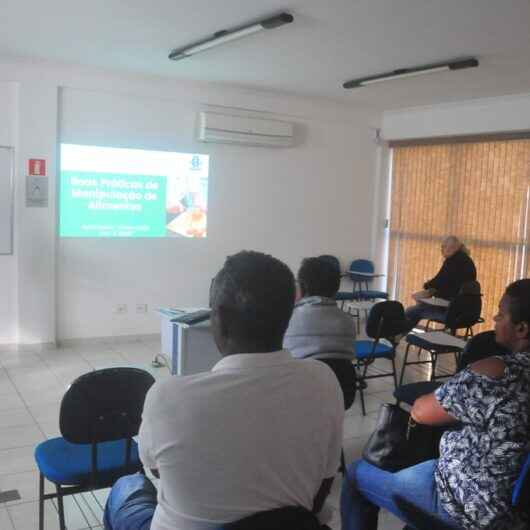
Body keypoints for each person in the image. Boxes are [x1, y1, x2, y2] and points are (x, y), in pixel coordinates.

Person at [104, 250, 344, 530]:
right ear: (290, 311)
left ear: (217, 317)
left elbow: (157, 471)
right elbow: (323, 486)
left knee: (127, 485)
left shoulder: (167, 397)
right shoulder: (324, 381)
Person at [341, 279, 530, 530]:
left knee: (356, 476)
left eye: (501, 314)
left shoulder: (497, 372)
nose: (494, 318)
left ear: (521, 329)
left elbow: (420, 412)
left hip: (469, 504)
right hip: (518, 511)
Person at [283, 256, 356, 359]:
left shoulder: (288, 321)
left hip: (304, 374)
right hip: (343, 374)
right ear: (336, 288)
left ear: (302, 287)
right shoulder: (348, 321)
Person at [405, 236, 477, 329]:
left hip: (453, 312)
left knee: (412, 311)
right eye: (442, 247)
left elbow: (438, 281)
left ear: (455, 247)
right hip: (467, 312)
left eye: (444, 246)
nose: (442, 249)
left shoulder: (453, 260)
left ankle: (396, 336)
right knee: (421, 306)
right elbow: (449, 282)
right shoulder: (467, 260)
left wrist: (427, 286)